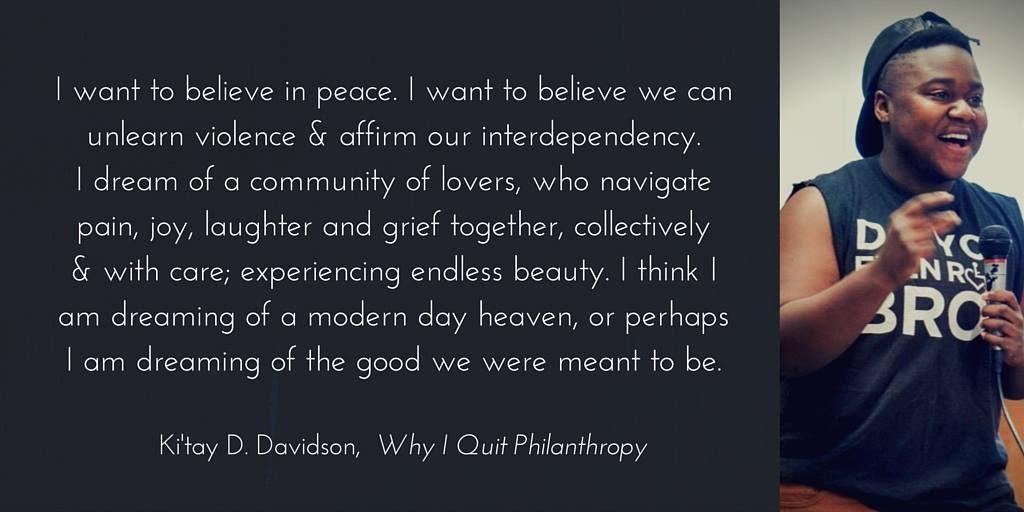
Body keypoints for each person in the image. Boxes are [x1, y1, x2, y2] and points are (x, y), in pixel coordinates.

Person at [780, 12, 1024, 511]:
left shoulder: (1004, 219)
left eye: (975, 98)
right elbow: (784, 352)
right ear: (883, 107)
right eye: (940, 93)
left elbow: (1016, 385)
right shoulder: (823, 202)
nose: (964, 111)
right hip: (836, 485)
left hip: (974, 494)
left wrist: (1019, 350)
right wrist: (881, 273)